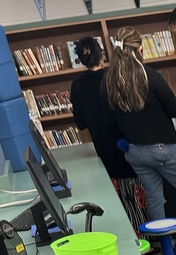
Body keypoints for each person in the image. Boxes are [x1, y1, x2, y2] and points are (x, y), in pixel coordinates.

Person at [103, 26, 176, 255]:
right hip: (164, 148)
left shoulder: (110, 82)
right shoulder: (151, 76)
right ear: (140, 50)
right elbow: (174, 109)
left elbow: (111, 120)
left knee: (155, 199)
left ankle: (167, 248)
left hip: (135, 152)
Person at [69, 36, 148, 235]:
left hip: (103, 149)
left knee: (118, 196)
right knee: (136, 191)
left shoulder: (77, 86)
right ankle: (146, 237)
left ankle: (130, 236)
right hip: (126, 143)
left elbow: (81, 124)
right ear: (102, 55)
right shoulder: (114, 76)